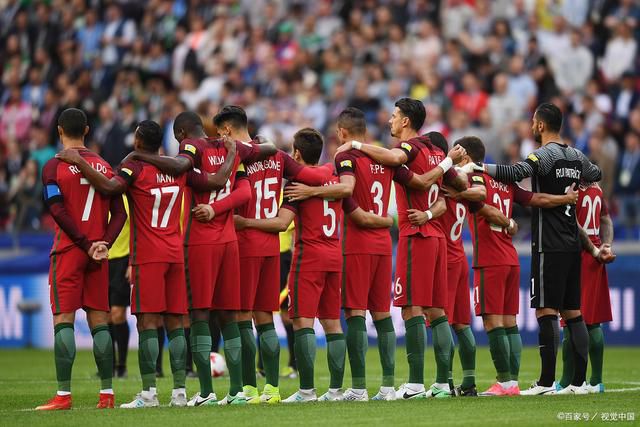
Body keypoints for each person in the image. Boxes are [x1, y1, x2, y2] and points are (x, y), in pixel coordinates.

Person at [55, 120, 230, 408]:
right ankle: (179, 393)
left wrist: (79, 162)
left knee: (148, 323)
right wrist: (232, 155)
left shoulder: (134, 168)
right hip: (176, 253)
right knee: (176, 324)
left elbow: (110, 188)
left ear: (137, 141)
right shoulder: (181, 168)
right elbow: (215, 182)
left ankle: (149, 393)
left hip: (148, 256)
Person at [129, 110, 277, 405]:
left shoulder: (191, 148)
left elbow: (183, 168)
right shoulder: (229, 145)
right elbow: (250, 181)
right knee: (231, 316)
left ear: (182, 135)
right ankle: (236, 392)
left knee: (198, 315)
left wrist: (141, 157)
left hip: (199, 241)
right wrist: (222, 205)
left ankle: (207, 392)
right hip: (230, 242)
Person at [236, 128, 391, 403]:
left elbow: (282, 223)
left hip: (308, 258)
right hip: (335, 257)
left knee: (302, 323)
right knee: (333, 324)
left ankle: (306, 391)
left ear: (296, 153)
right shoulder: (336, 178)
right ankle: (334, 390)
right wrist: (388, 221)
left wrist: (246, 223)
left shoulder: (297, 185)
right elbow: (357, 214)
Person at [335, 98, 468, 399]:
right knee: (437, 310)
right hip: (437, 236)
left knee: (411, 309)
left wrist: (355, 146)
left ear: (406, 121)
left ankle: (416, 384)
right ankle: (444, 383)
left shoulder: (413, 149)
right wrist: (447, 166)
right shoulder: (435, 152)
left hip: (415, 235)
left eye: (395, 116)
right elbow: (457, 187)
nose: (390, 121)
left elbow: (400, 164)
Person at [475, 103, 602, 395]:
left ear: (541, 125)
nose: (532, 126)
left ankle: (545, 383)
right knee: (573, 312)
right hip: (572, 242)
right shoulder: (575, 154)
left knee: (546, 310)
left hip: (548, 243)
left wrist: (478, 166)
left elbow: (515, 172)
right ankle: (579, 383)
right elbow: (596, 175)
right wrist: (573, 186)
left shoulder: (542, 155)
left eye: (533, 122)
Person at [218, 106, 327, 404]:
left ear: (227, 129)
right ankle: (273, 390)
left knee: (241, 318)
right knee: (265, 318)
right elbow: (313, 176)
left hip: (243, 243)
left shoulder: (235, 154)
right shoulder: (279, 156)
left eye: (219, 131)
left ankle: (246, 390)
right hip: (271, 245)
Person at [457, 136, 579, 396]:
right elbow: (538, 199)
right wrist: (565, 199)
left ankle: (505, 382)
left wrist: (505, 220)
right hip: (510, 259)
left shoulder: (473, 178)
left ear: (465, 157)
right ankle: (511, 382)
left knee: (493, 322)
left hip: (489, 259)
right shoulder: (506, 181)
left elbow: (482, 205)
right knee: (509, 321)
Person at [36, 108, 126, 411]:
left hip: (70, 250)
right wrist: (103, 245)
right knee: (100, 321)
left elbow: (57, 210)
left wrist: (85, 244)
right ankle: (107, 394)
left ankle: (63, 395)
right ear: (86, 130)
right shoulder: (104, 166)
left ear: (60, 130)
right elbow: (121, 214)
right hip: (98, 252)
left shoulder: (53, 166)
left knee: (64, 320)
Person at [558, 182, 616, 394]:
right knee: (593, 323)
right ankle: (597, 381)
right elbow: (606, 219)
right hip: (597, 255)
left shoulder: (572, 189)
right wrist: (606, 244)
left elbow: (572, 223)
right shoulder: (598, 188)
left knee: (570, 320)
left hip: (579, 253)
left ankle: (566, 381)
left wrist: (593, 249)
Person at [107, 195, 131, 378]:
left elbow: (137, 230)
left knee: (117, 313)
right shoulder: (99, 200)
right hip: (101, 262)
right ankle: (109, 365)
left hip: (122, 260)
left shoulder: (127, 200)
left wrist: (132, 262)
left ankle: (121, 366)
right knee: (104, 316)